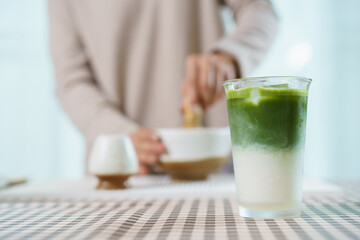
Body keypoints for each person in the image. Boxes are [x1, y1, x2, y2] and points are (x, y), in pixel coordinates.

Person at [49, 0, 278, 174]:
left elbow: (260, 10)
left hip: (215, 164)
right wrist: (119, 134)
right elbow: (72, 80)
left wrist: (230, 54)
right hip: (122, 170)